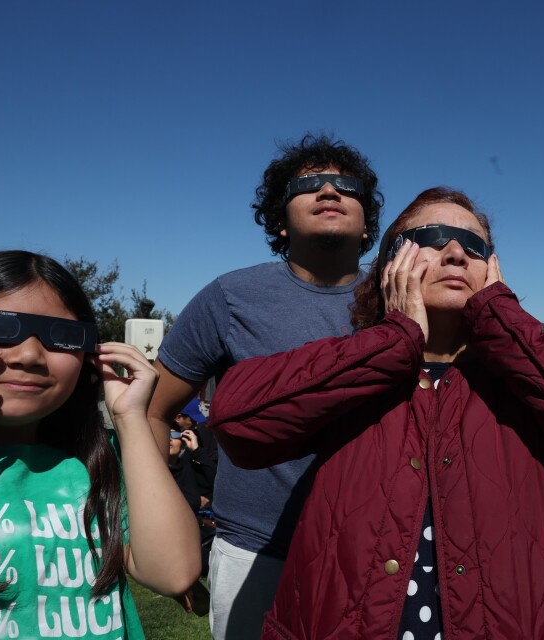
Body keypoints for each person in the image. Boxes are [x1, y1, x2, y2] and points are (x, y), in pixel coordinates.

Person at [208, 187, 544, 639]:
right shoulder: (353, 364)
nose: (457, 252)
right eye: (432, 236)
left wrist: (504, 320)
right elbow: (236, 421)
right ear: (390, 265)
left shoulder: (527, 376)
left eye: (476, 245)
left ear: (492, 270)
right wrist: (393, 341)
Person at [146, 133, 384, 638]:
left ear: (368, 227)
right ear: (279, 220)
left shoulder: (401, 302)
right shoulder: (230, 297)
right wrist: (168, 531)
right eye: (309, 184)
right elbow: (152, 411)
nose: (329, 191)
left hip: (379, 552)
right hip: (254, 553)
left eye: (346, 185)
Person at [0, 250, 200, 638]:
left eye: (62, 336)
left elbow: (173, 573)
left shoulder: (101, 460)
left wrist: (131, 416)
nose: (29, 355)